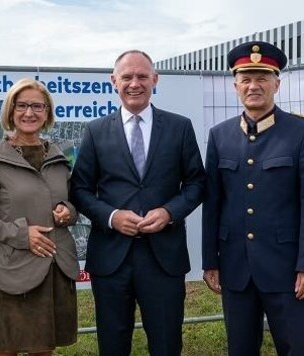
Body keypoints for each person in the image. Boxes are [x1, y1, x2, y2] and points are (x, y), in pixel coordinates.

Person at [70, 50, 207, 356]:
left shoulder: (179, 127)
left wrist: (169, 211)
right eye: (127, 77)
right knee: (113, 343)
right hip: (111, 258)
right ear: (113, 82)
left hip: (163, 258)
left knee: (167, 342)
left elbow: (198, 183)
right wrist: (112, 216)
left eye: (142, 76)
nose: (135, 83)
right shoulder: (95, 130)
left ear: (155, 80)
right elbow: (79, 189)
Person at [201, 41, 304, 356]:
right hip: (235, 267)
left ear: (277, 83)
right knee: (240, 349)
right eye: (246, 79)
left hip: (287, 269)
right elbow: (213, 202)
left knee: (294, 348)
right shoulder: (219, 136)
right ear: (235, 86)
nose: (253, 86)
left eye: (262, 77)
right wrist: (210, 261)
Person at [0, 78, 79, 356]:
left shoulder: (59, 155)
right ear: (10, 111)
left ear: (47, 113)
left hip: (56, 266)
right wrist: (19, 234)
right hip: (14, 271)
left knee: (44, 348)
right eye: (22, 105)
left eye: (37, 106)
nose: (30, 113)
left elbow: (74, 200)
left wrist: (69, 211)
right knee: (7, 348)